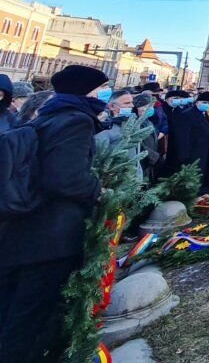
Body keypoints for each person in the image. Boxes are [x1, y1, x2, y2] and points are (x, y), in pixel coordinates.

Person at [0, 64, 108, 362]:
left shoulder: (47, 117)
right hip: (51, 237)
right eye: (100, 89)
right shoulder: (76, 121)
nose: (104, 95)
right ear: (87, 91)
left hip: (26, 229)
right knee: (29, 318)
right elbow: (65, 177)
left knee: (14, 310)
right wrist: (95, 190)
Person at [164, 89, 209, 186]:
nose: (207, 105)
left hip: (201, 152)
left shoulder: (204, 113)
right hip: (191, 154)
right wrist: (184, 157)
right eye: (204, 102)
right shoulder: (187, 114)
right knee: (189, 181)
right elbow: (183, 137)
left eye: (208, 103)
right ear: (197, 102)